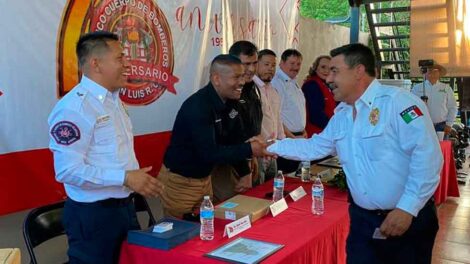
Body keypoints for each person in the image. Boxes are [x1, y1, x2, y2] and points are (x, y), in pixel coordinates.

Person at [267, 43, 442, 264]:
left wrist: (407, 208)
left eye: (335, 71)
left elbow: (427, 158)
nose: (328, 78)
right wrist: (269, 146)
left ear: (358, 71)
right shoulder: (342, 114)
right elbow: (315, 147)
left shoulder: (399, 103)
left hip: (406, 219)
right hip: (363, 221)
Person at [48, 31, 163, 264]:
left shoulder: (114, 100)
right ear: (96, 64)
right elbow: (67, 171)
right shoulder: (74, 108)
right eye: (120, 58)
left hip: (124, 208)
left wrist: (129, 181)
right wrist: (124, 178)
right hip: (94, 216)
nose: (128, 64)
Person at [159, 54, 269, 217]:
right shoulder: (198, 106)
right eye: (236, 77)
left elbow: (235, 138)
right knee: (182, 235)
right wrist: (250, 149)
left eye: (242, 76)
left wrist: (245, 172)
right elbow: (209, 153)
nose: (242, 82)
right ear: (216, 79)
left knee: (207, 230)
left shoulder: (232, 101)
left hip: (205, 180)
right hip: (181, 183)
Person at [206, 41, 263, 199]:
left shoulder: (253, 88)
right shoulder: (225, 92)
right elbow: (228, 137)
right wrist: (245, 164)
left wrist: (250, 156)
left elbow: (250, 125)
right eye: (246, 64)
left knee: (252, 203)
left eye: (254, 63)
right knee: (231, 208)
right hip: (227, 163)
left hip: (248, 157)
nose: (251, 69)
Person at [253, 49, 285, 184]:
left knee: (272, 189)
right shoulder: (251, 90)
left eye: (273, 65)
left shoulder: (273, 90)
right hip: (258, 151)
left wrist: (282, 142)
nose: (270, 69)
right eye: (266, 64)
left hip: (273, 149)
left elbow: (277, 119)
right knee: (257, 191)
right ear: (256, 64)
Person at [271, 49, 305, 174]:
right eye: (292, 63)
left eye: (298, 64)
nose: (296, 67)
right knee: (285, 179)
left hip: (298, 137)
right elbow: (276, 115)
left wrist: (303, 130)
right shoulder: (277, 83)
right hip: (287, 139)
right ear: (282, 63)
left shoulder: (294, 82)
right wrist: (291, 136)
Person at [411, 63, 457, 134]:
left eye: (435, 70)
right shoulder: (417, 88)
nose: (431, 72)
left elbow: (453, 107)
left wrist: (449, 124)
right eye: (429, 70)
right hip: (423, 125)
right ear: (425, 73)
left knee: (441, 145)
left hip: (442, 125)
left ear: (439, 73)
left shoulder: (446, 88)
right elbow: (411, 107)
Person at [302, 55, 336, 137]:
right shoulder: (312, 85)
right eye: (323, 67)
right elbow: (316, 115)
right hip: (317, 135)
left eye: (329, 68)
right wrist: (334, 129)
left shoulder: (327, 85)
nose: (326, 71)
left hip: (326, 133)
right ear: (315, 68)